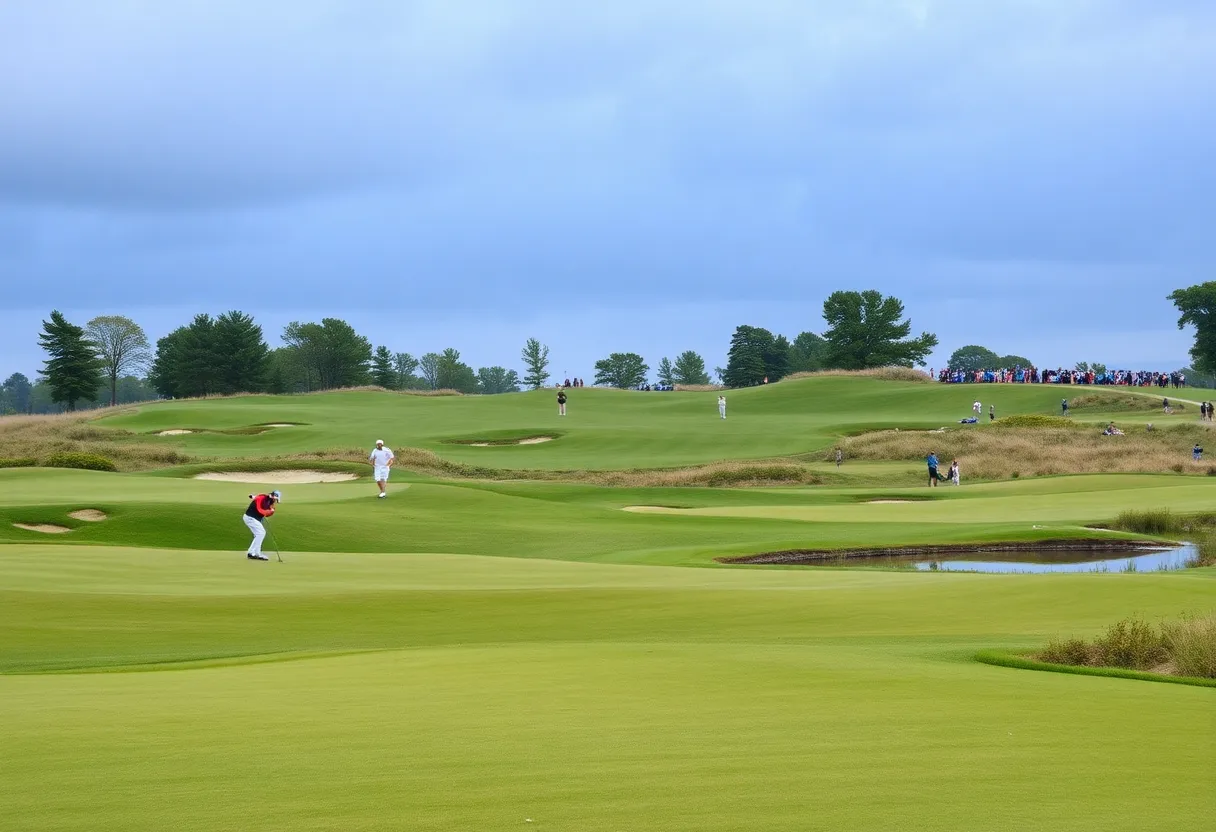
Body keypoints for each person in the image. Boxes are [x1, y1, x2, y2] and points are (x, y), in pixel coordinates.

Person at [243, 490, 281, 561]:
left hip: (254, 519)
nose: (275, 501)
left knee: (259, 534)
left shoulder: (270, 502)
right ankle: (257, 553)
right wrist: (269, 511)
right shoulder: (262, 498)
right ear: (273, 496)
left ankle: (251, 553)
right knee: (261, 533)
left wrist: (271, 511)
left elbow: (268, 514)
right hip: (250, 517)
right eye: (275, 499)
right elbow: (260, 510)